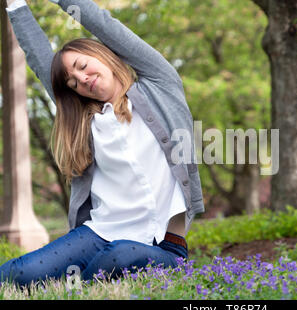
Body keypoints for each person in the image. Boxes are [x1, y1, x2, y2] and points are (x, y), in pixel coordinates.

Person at [0, 0, 204, 289]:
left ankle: (75, 287)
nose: (82, 79)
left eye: (82, 66)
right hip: (96, 235)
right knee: (16, 274)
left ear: (102, 54)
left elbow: (104, 25)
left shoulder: (160, 86)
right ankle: (79, 283)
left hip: (163, 247)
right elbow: (38, 56)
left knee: (118, 257)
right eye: (73, 83)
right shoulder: (87, 121)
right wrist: (17, 5)